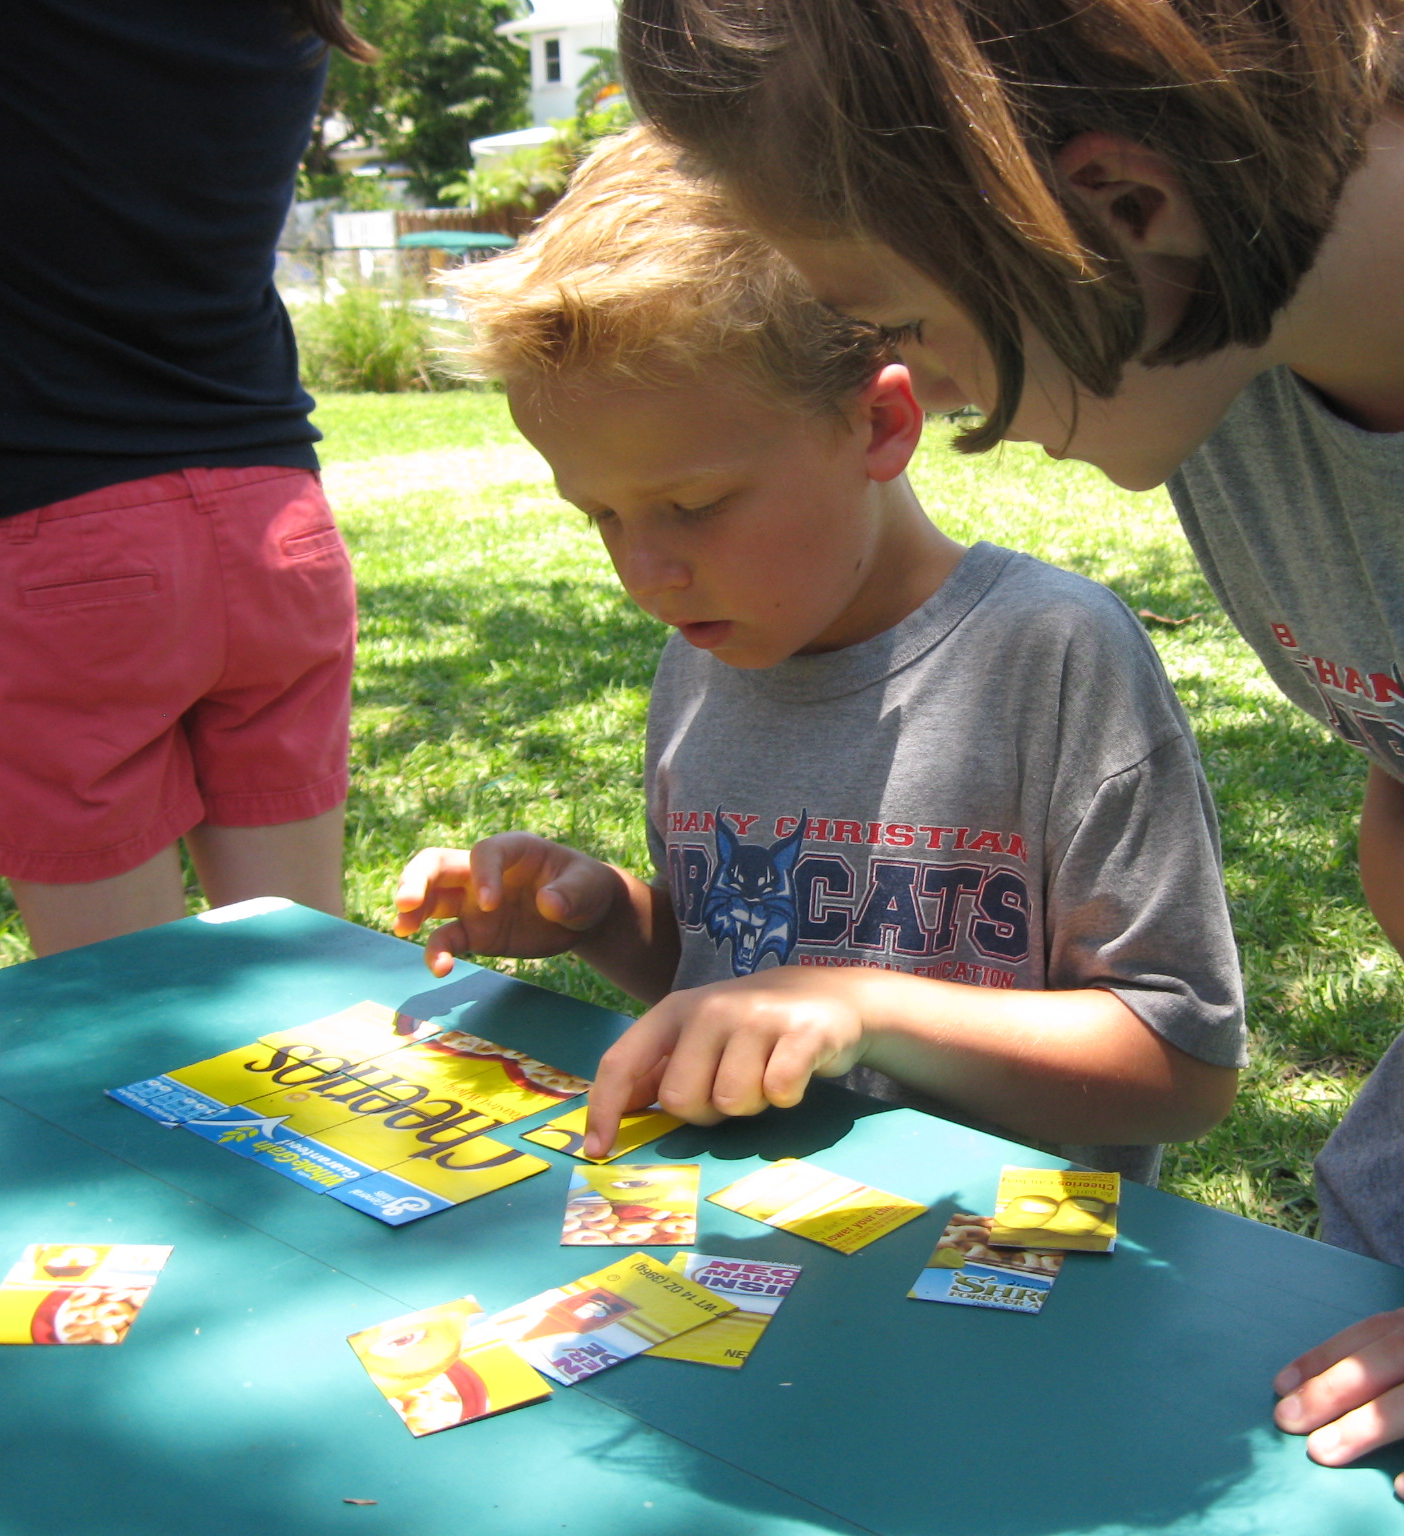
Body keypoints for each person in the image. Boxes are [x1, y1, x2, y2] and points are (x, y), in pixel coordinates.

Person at [615, 0, 1404, 1504]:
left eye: (899, 325)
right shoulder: (1223, 351)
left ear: (1119, 205)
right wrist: (1397, 803)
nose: (929, 397)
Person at [390, 128, 1244, 1181]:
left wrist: (859, 1008)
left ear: (881, 424)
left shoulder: (1052, 656)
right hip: (757, 1250)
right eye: (599, 517)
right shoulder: (705, 659)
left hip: (991, 1270)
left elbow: (1181, 1065)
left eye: (693, 505)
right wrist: (605, 914)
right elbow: (734, 976)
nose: (646, 572)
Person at [0, 0, 365, 955]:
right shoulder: (287, 15)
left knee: (127, 1018)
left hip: (55, 539)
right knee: (308, 998)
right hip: (274, 526)